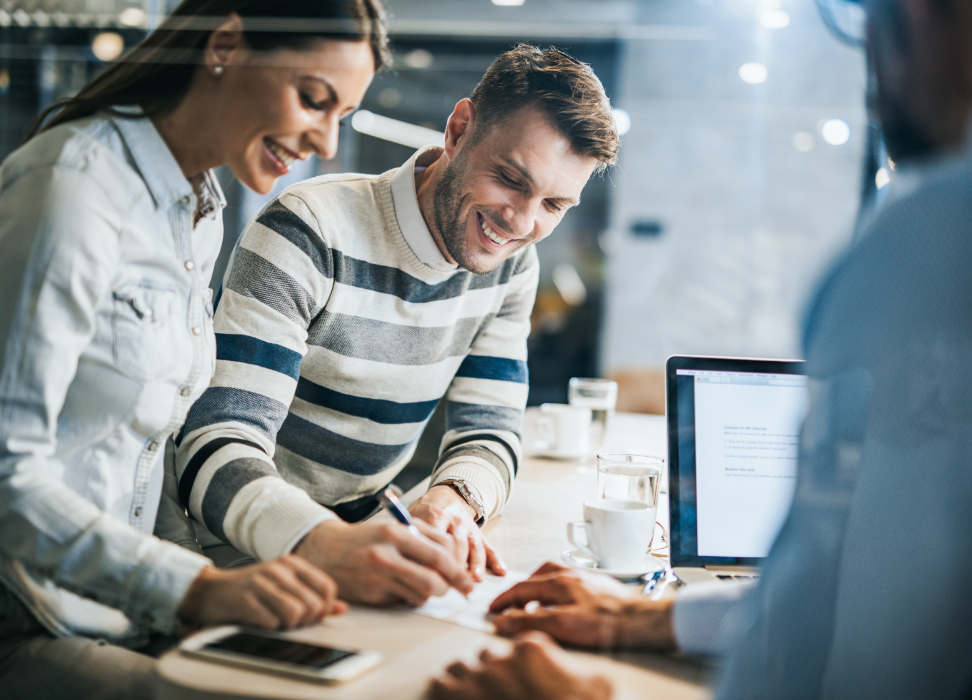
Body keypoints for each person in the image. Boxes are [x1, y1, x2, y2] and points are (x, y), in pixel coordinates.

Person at [429, 0, 972, 697]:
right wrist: (646, 618)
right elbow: (863, 585)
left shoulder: (933, 239)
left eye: (883, 13)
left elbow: (886, 652)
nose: (870, 42)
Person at [0, 1, 389, 698]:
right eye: (314, 98)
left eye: (343, 114)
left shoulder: (198, 207)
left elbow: (152, 453)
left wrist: (227, 593)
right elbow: (7, 477)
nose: (327, 142)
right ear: (227, 44)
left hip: (121, 612)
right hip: (27, 617)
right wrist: (194, 590)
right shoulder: (72, 187)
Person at [174, 44, 620, 606]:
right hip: (239, 565)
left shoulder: (512, 264)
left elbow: (491, 428)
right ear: (459, 129)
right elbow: (215, 440)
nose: (521, 222)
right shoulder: (310, 229)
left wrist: (452, 500)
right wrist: (324, 542)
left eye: (554, 205)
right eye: (510, 179)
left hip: (369, 550)